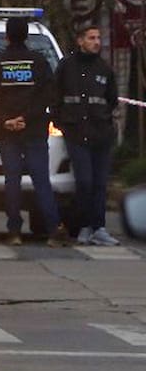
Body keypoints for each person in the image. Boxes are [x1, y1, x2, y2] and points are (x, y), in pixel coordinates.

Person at [0, 16, 70, 247]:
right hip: (35, 130)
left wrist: (4, 120)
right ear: (27, 35)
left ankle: (14, 232)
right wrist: (27, 118)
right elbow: (49, 95)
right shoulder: (38, 61)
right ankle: (52, 231)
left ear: (7, 36)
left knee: (12, 180)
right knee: (41, 181)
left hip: (7, 132)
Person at [54, 24, 120, 246]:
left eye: (98, 38)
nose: (96, 42)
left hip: (101, 134)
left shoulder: (104, 69)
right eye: (91, 38)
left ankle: (98, 228)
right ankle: (84, 226)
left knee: (100, 183)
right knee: (84, 181)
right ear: (80, 40)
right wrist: (61, 123)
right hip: (76, 134)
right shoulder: (66, 67)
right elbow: (55, 97)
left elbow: (111, 99)